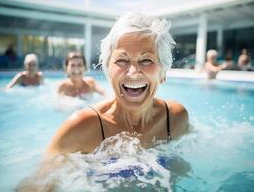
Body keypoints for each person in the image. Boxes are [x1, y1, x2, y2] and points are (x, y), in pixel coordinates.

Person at [48, 13, 189, 154]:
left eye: (146, 60)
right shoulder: (78, 129)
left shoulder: (176, 119)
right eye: (122, 60)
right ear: (108, 71)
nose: (133, 72)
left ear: (162, 73)